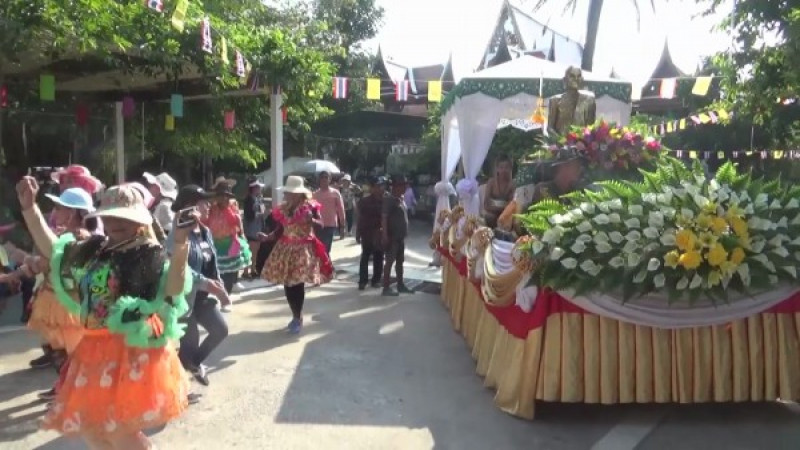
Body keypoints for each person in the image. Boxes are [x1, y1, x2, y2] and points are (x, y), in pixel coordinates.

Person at [17, 179, 191, 450]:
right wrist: (30, 209)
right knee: (94, 432)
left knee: (119, 432)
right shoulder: (95, 248)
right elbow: (55, 252)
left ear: (139, 220)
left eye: (124, 215)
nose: (115, 221)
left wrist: (181, 245)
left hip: (130, 351)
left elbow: (172, 290)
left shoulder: (148, 252)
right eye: (110, 215)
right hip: (93, 350)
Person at [23, 188, 97, 401]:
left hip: (67, 306)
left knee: (72, 352)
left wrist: (30, 208)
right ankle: (66, 388)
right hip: (54, 302)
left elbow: (52, 255)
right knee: (57, 349)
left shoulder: (79, 238)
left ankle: (78, 394)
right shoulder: (67, 235)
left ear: (73, 212)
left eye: (59, 207)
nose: (55, 211)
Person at [167, 185, 231, 387]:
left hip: (203, 298)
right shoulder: (176, 234)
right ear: (189, 206)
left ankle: (193, 364)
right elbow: (179, 268)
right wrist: (206, 283)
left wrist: (218, 282)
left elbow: (212, 261)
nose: (209, 205)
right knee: (190, 341)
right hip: (183, 298)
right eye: (203, 201)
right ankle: (178, 384)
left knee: (220, 330)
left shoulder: (206, 232)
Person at [261, 176, 333, 334]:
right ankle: (295, 315)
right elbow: (280, 229)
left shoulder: (310, 207)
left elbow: (321, 225)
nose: (287, 195)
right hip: (285, 248)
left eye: (290, 192)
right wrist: (268, 237)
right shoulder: (284, 209)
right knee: (288, 283)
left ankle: (298, 317)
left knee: (297, 283)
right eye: (287, 192)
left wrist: (311, 220)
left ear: (298, 194)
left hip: (302, 249)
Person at [497, 149, 586, 236]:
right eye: (576, 166)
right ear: (563, 168)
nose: (580, 170)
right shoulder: (544, 189)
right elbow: (552, 222)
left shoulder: (575, 192)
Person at [203, 177, 251, 303]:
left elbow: (235, 221)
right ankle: (221, 296)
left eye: (226, 196)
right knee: (217, 275)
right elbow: (206, 223)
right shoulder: (211, 208)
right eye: (221, 195)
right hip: (215, 245)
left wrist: (227, 209)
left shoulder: (232, 206)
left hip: (230, 244)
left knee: (229, 275)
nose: (224, 198)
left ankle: (226, 296)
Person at [381, 175, 414, 297]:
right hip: (392, 236)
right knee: (389, 262)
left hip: (400, 237)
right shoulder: (389, 199)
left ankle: (400, 284)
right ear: (395, 186)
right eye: (402, 185)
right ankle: (386, 287)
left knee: (400, 262)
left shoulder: (400, 199)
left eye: (405, 185)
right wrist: (385, 235)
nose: (405, 187)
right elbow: (384, 217)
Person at [356, 176, 386, 290]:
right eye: (377, 186)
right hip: (367, 233)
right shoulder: (364, 202)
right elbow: (360, 218)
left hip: (379, 233)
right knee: (365, 256)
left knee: (379, 256)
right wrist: (358, 233)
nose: (380, 188)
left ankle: (376, 280)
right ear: (372, 188)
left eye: (381, 186)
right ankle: (362, 281)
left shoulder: (386, 201)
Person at [548, 66, 597, 134]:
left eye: (579, 76)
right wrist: (560, 140)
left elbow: (591, 127)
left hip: (581, 142)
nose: (576, 79)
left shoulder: (589, 100)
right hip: (560, 142)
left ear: (582, 79)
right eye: (572, 76)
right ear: (565, 79)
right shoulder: (555, 101)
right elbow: (550, 127)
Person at [312, 171, 345, 255]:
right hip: (318, 225)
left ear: (330, 179)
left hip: (330, 225)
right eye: (322, 177)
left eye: (326, 177)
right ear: (319, 180)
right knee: (318, 249)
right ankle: (324, 266)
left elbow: (341, 209)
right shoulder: (314, 195)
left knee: (326, 248)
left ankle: (326, 266)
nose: (324, 179)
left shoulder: (335, 193)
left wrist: (342, 226)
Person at [242, 178, 266, 279]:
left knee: (255, 250)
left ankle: (253, 269)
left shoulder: (258, 199)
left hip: (257, 228)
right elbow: (249, 215)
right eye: (258, 187)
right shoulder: (249, 200)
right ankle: (246, 271)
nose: (260, 188)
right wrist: (260, 214)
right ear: (254, 188)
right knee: (250, 250)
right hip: (251, 229)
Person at [482, 156, 515, 229]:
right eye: (501, 167)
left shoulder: (512, 185)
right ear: (497, 169)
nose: (504, 170)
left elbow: (512, 205)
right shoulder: (491, 182)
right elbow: (486, 204)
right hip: (492, 214)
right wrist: (499, 208)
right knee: (489, 217)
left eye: (506, 167)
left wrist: (503, 210)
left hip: (506, 215)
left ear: (510, 169)